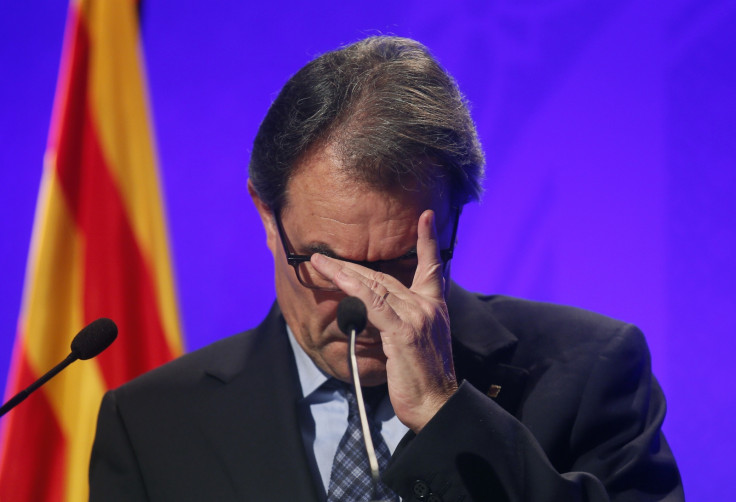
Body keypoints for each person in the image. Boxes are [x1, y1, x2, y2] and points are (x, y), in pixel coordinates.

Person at [89, 36, 683, 501]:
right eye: (328, 266)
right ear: (268, 218)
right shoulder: (151, 424)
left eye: (400, 265)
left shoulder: (590, 370)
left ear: (452, 225)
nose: (367, 307)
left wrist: (446, 412)